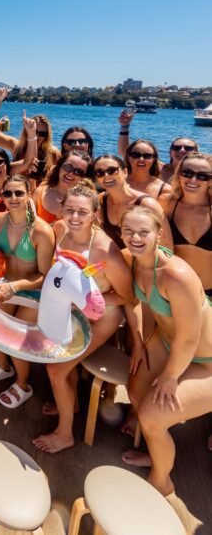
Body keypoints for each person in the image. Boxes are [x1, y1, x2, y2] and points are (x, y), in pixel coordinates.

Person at [32, 182, 134, 453]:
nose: (75, 217)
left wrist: (86, 305)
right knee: (55, 361)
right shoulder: (60, 230)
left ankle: (65, 433)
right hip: (68, 313)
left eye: (82, 212)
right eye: (69, 210)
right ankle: (72, 403)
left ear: (94, 216)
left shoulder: (105, 251)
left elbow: (128, 296)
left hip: (101, 319)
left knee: (55, 369)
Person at [119, 205, 212, 496]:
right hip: (167, 341)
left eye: (143, 232)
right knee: (136, 391)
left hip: (205, 359)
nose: (135, 237)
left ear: (159, 234)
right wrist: (138, 343)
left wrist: (170, 376)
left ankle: (162, 482)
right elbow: (133, 302)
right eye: (128, 231)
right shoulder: (132, 260)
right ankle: (156, 449)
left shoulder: (176, 275)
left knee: (151, 416)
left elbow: (189, 339)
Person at [0, 176, 55, 409]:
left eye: (19, 193)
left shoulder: (41, 231)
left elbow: (45, 276)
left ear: (28, 194)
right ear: (2, 195)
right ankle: (3, 366)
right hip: (4, 286)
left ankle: (23, 385)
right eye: (8, 193)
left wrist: (16, 286)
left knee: (16, 339)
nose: (13, 198)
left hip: (33, 290)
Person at [93, 154, 172, 251]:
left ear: (125, 172)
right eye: (100, 173)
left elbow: (167, 247)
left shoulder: (147, 204)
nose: (106, 176)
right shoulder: (101, 200)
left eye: (112, 171)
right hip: (113, 262)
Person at [164, 152, 212, 299]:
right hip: (175, 290)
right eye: (187, 173)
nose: (193, 179)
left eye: (203, 176)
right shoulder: (167, 204)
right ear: (179, 175)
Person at [117, 111, 199, 185]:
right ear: (170, 152)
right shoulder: (159, 168)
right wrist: (124, 127)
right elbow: (126, 153)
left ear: (197, 152)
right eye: (177, 147)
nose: (182, 150)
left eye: (188, 148)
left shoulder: (203, 174)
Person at [32, 150, 93, 224]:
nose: (71, 173)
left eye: (79, 172)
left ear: (84, 176)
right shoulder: (39, 193)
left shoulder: (88, 201)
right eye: (67, 167)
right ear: (60, 166)